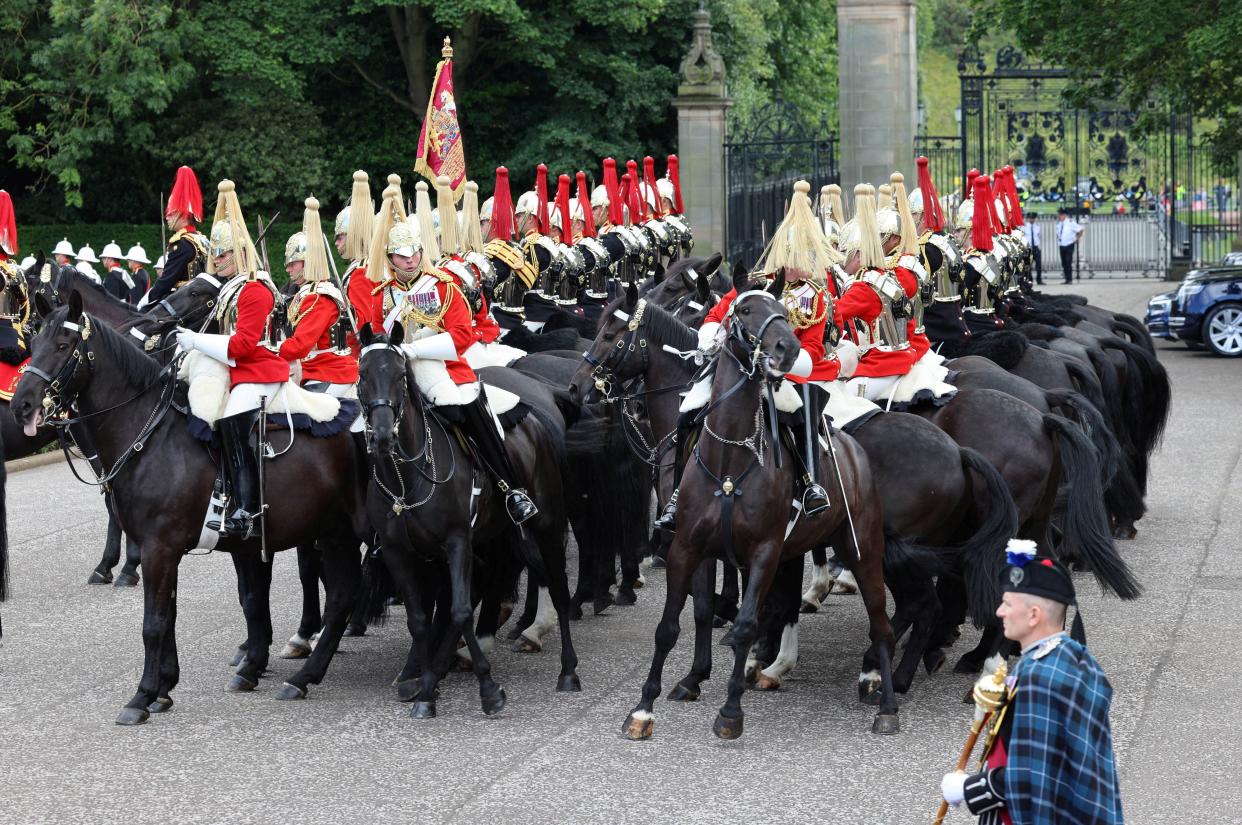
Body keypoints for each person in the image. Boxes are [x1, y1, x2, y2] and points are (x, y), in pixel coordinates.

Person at [654, 180, 839, 531]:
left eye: (800, 258)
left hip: (781, 376)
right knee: (689, 408)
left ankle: (809, 483)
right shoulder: (753, 284)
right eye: (789, 256)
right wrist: (711, 336)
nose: (794, 265)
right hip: (735, 370)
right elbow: (715, 316)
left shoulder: (815, 298)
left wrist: (784, 363)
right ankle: (678, 494)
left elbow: (813, 349)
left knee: (799, 414)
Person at [368, 184, 539, 525]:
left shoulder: (442, 285)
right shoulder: (381, 296)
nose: (411, 259)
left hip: (441, 366)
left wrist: (414, 348)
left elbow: (462, 336)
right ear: (389, 259)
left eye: (414, 252)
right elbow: (376, 338)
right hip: (396, 371)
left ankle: (509, 488)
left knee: (468, 407)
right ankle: (368, 510)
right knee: (366, 422)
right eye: (402, 255)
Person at [940, 539, 1123, 824]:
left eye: (1007, 603)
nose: (999, 612)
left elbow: (1029, 777)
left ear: (1034, 615)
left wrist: (968, 789)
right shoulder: (1071, 656)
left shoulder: (1040, 678)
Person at [176, 180, 288, 539]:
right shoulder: (232, 288)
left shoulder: (254, 289)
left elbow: (240, 345)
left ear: (240, 253)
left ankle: (248, 509)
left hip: (259, 371)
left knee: (232, 421)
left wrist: (197, 340)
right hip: (242, 370)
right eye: (215, 255)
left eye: (222, 255)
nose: (216, 261)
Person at [280, 198, 357, 395]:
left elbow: (300, 346)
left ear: (307, 262)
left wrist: (268, 350)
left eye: (293, 263)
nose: (287, 269)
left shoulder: (319, 297)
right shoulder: (308, 292)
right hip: (313, 370)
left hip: (330, 372)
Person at [148, 165, 208, 304]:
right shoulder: (200, 238)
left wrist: (150, 299)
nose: (167, 217)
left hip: (184, 302)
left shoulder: (183, 243)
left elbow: (166, 281)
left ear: (182, 215)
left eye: (170, 213)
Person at [1056, 209, 1083, 284]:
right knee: (1064, 263)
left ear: (1064, 215)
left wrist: (1076, 239)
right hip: (1061, 245)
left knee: (1068, 262)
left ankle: (1069, 279)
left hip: (1069, 245)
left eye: (1060, 215)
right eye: (1059, 215)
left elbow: (1080, 229)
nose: (1059, 216)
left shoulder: (1070, 222)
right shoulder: (1059, 224)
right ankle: (1067, 279)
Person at [1022, 212, 1042, 285]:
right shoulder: (1024, 227)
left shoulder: (1037, 227)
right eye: (1030, 218)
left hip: (1036, 248)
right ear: (1028, 219)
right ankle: (1029, 280)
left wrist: (1039, 246)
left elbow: (1038, 237)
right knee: (1028, 265)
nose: (1031, 220)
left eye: (1033, 218)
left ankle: (1039, 280)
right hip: (1028, 248)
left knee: (1038, 265)